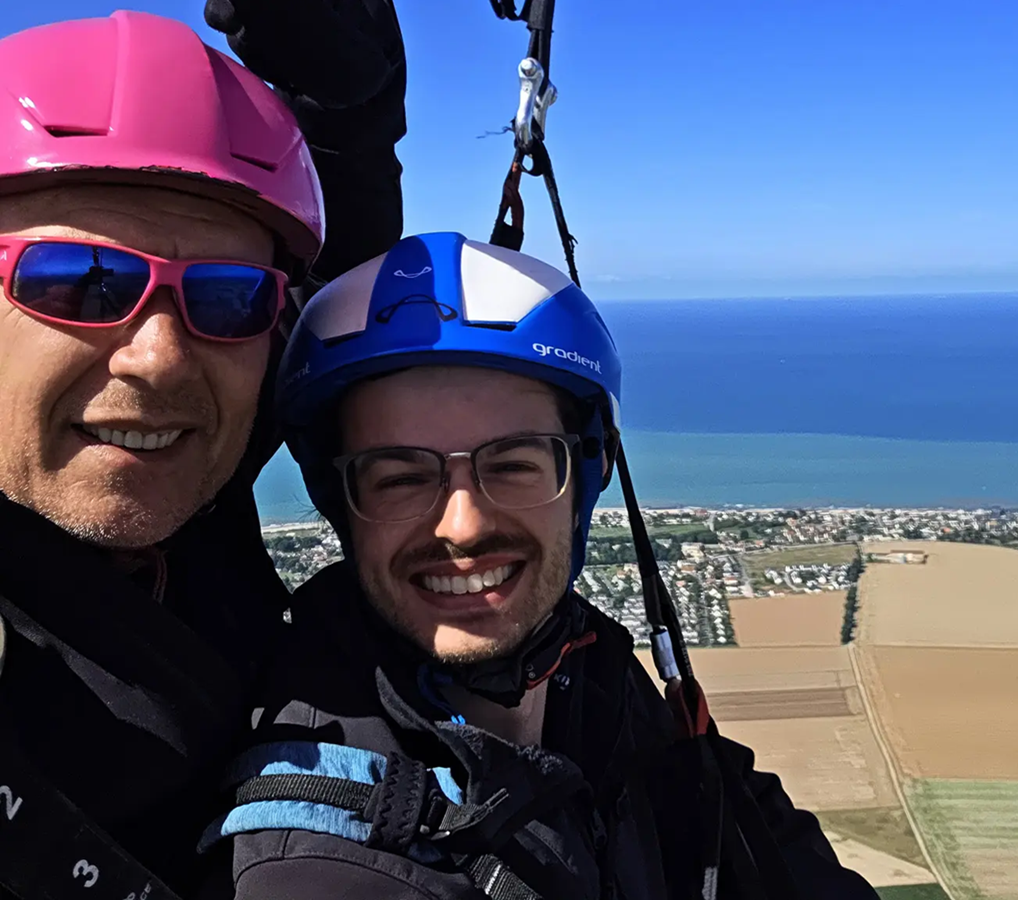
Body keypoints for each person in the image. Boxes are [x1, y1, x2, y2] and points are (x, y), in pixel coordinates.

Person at [204, 232, 879, 898]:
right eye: (400, 477)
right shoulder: (327, 868)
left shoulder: (587, 671)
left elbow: (743, 825)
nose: (462, 526)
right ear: (340, 503)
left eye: (514, 463)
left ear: (590, 474)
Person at [0, 7, 404, 894]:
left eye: (226, 297)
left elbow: (336, 281)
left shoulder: (190, 457)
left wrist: (347, 110)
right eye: (80, 282)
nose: (161, 355)